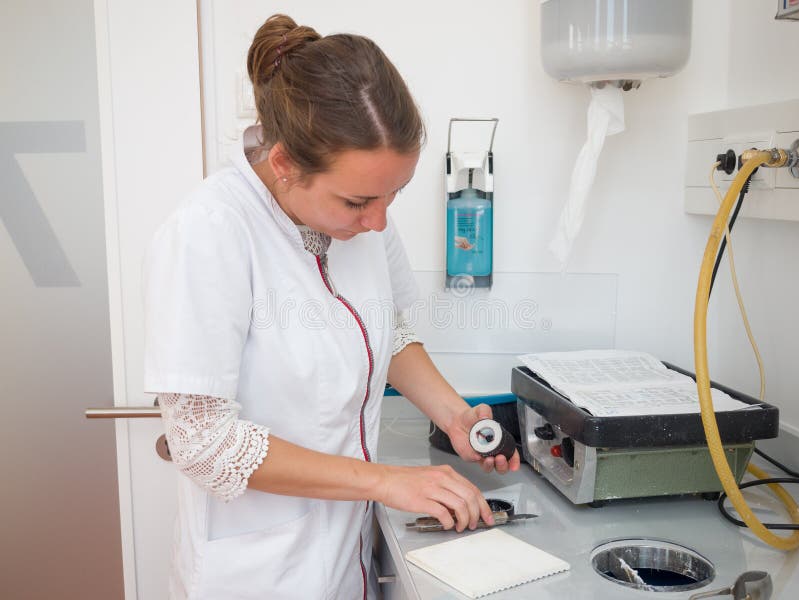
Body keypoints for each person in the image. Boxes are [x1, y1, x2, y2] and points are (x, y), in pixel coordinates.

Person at [143, 14, 520, 599]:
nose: (379, 221)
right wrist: (386, 482)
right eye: (358, 201)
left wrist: (454, 416)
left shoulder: (365, 217)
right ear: (285, 165)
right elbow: (203, 443)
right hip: (256, 577)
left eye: (394, 194)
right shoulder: (209, 233)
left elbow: (388, 331)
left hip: (345, 563)